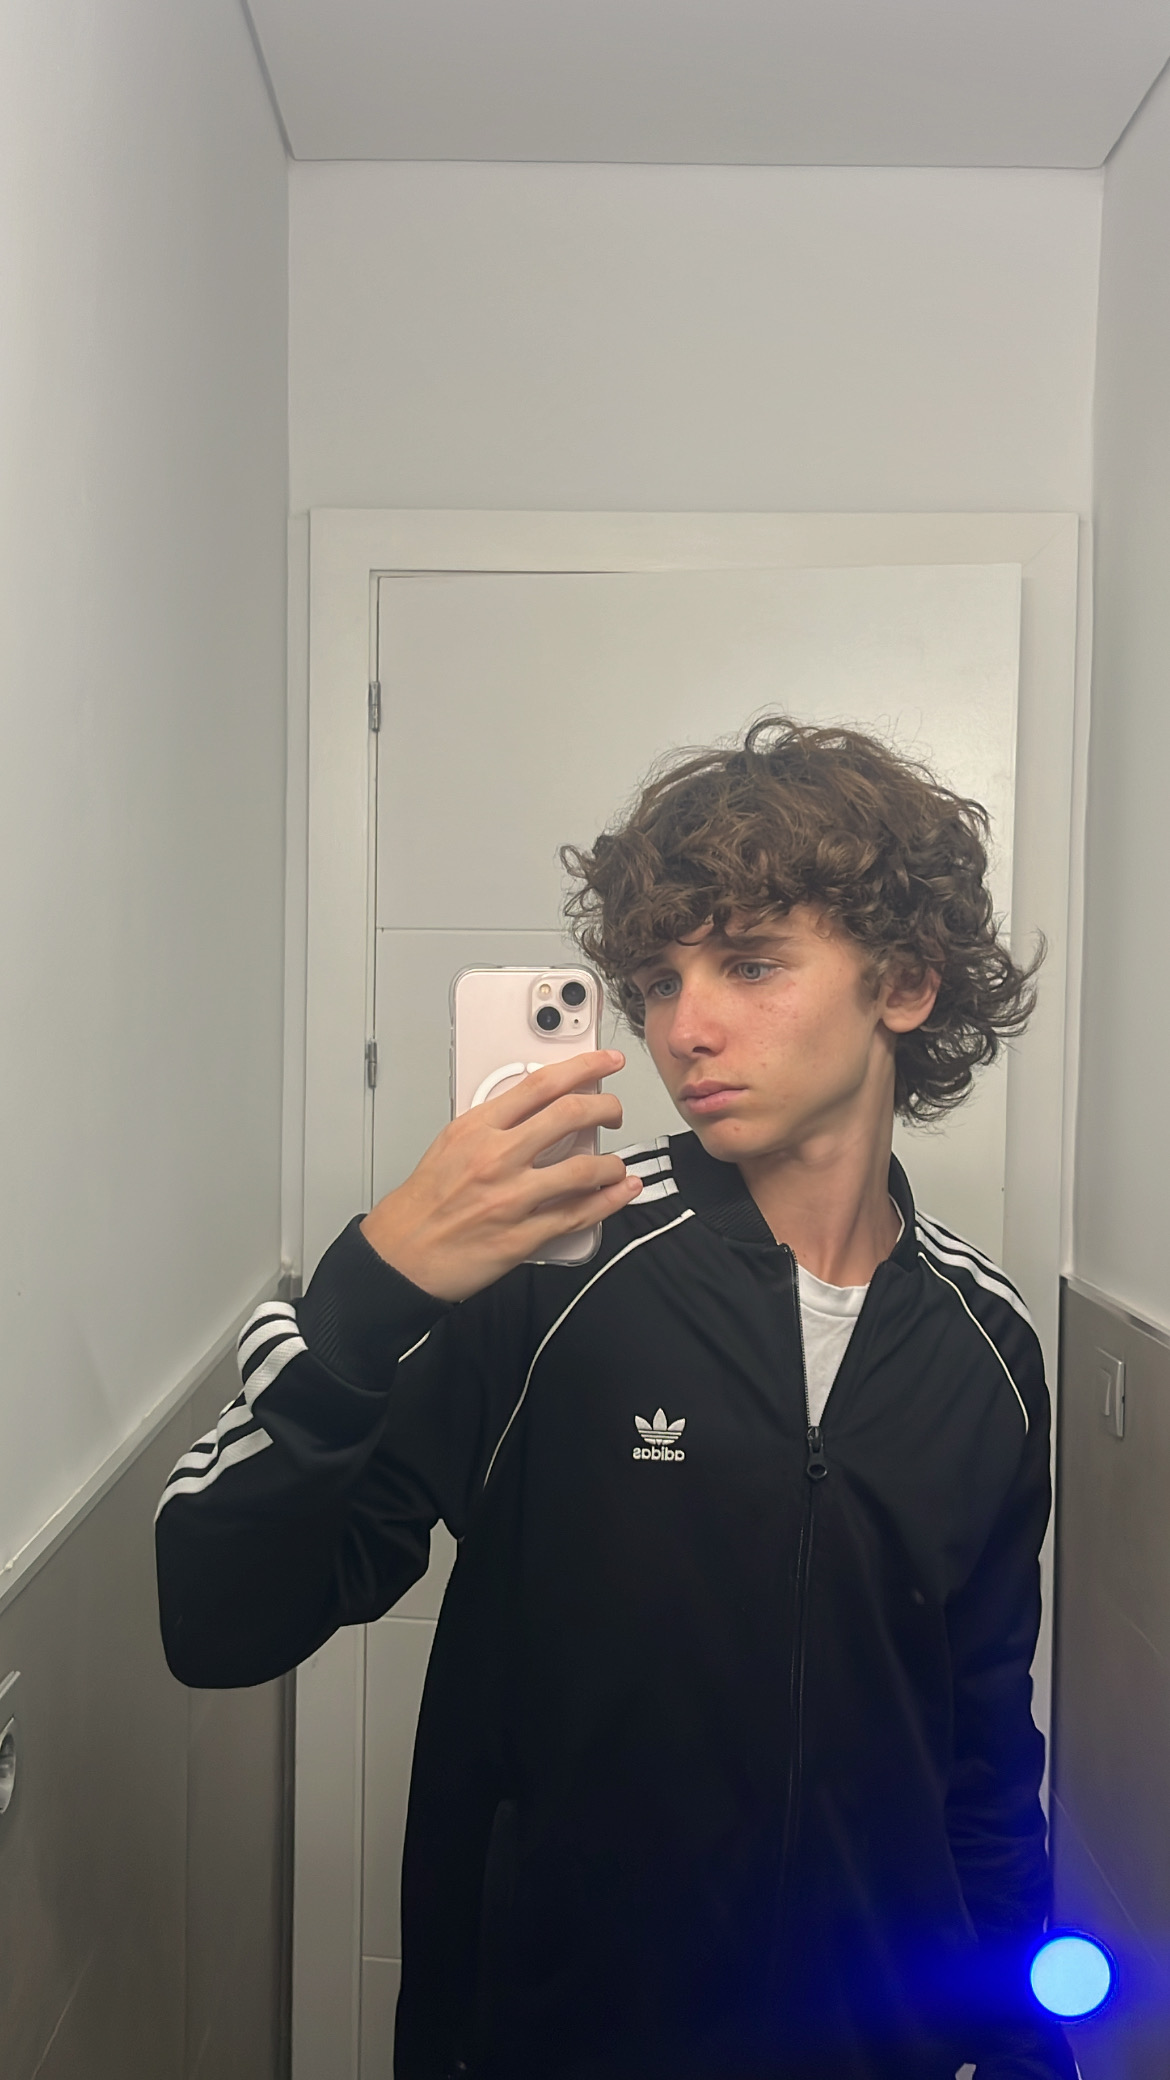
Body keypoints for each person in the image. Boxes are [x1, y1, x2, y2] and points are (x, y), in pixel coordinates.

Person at [155, 715, 1077, 2080]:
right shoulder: (545, 1274)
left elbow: (985, 1752)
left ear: (904, 984)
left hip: (875, 2041)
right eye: (655, 982)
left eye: (750, 963)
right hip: (552, 2034)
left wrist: (1020, 2043)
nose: (682, 1029)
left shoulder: (986, 1348)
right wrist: (370, 1294)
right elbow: (220, 1621)